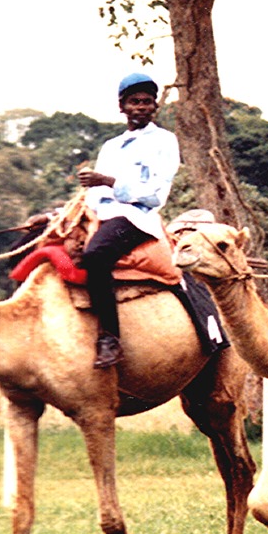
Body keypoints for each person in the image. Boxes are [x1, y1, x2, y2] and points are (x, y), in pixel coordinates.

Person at [78, 72, 180, 368]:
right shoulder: (110, 146)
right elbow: (94, 194)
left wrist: (108, 181)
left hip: (135, 217)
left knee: (95, 256)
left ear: (154, 107)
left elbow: (155, 194)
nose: (141, 107)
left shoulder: (164, 141)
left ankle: (110, 339)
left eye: (147, 102)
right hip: (99, 212)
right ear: (122, 106)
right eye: (134, 102)